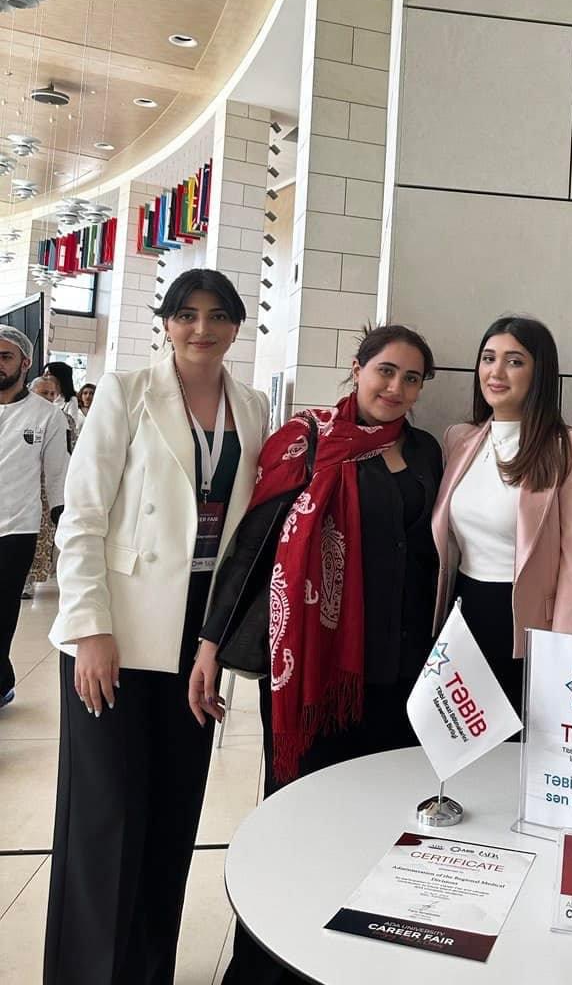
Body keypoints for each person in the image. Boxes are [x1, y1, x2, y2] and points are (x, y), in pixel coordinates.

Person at [195, 323, 442, 985]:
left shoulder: (425, 451)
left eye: (412, 378)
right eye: (385, 370)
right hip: (313, 673)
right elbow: (253, 547)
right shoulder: (304, 443)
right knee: (297, 819)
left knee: (378, 825)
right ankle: (269, 968)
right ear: (357, 369)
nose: (396, 387)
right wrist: (210, 644)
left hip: (398, 672)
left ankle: (351, 964)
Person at [44, 270, 269, 985]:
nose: (202, 328)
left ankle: (147, 970)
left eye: (218, 315)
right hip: (120, 624)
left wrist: (219, 640)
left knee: (173, 811)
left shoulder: (253, 407)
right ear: (166, 323)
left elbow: (244, 536)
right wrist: (89, 628)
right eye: (187, 314)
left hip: (198, 631)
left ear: (236, 326)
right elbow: (82, 515)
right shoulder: (126, 391)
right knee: (107, 815)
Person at [432, 316, 572, 716]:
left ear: (539, 372)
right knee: (459, 740)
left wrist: (566, 655)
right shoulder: (459, 440)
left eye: (514, 361)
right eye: (488, 358)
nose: (496, 372)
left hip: (525, 627)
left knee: (519, 742)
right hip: (461, 615)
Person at [0, 326, 69, 706]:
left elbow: (58, 476)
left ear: (25, 362)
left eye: (5, 356)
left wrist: (65, 522)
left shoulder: (47, 417)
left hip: (15, 529)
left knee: (3, 611)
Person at [22, 375, 71, 599]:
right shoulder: (19, 414)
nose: (49, 397)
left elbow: (69, 451)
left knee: (41, 536)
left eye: (52, 393)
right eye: (44, 393)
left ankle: (27, 580)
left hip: (49, 488)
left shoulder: (63, 419)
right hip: (21, 484)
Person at [43, 360, 80, 430]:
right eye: (44, 373)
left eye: (48, 374)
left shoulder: (71, 400)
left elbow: (72, 424)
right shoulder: (42, 393)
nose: (44, 376)